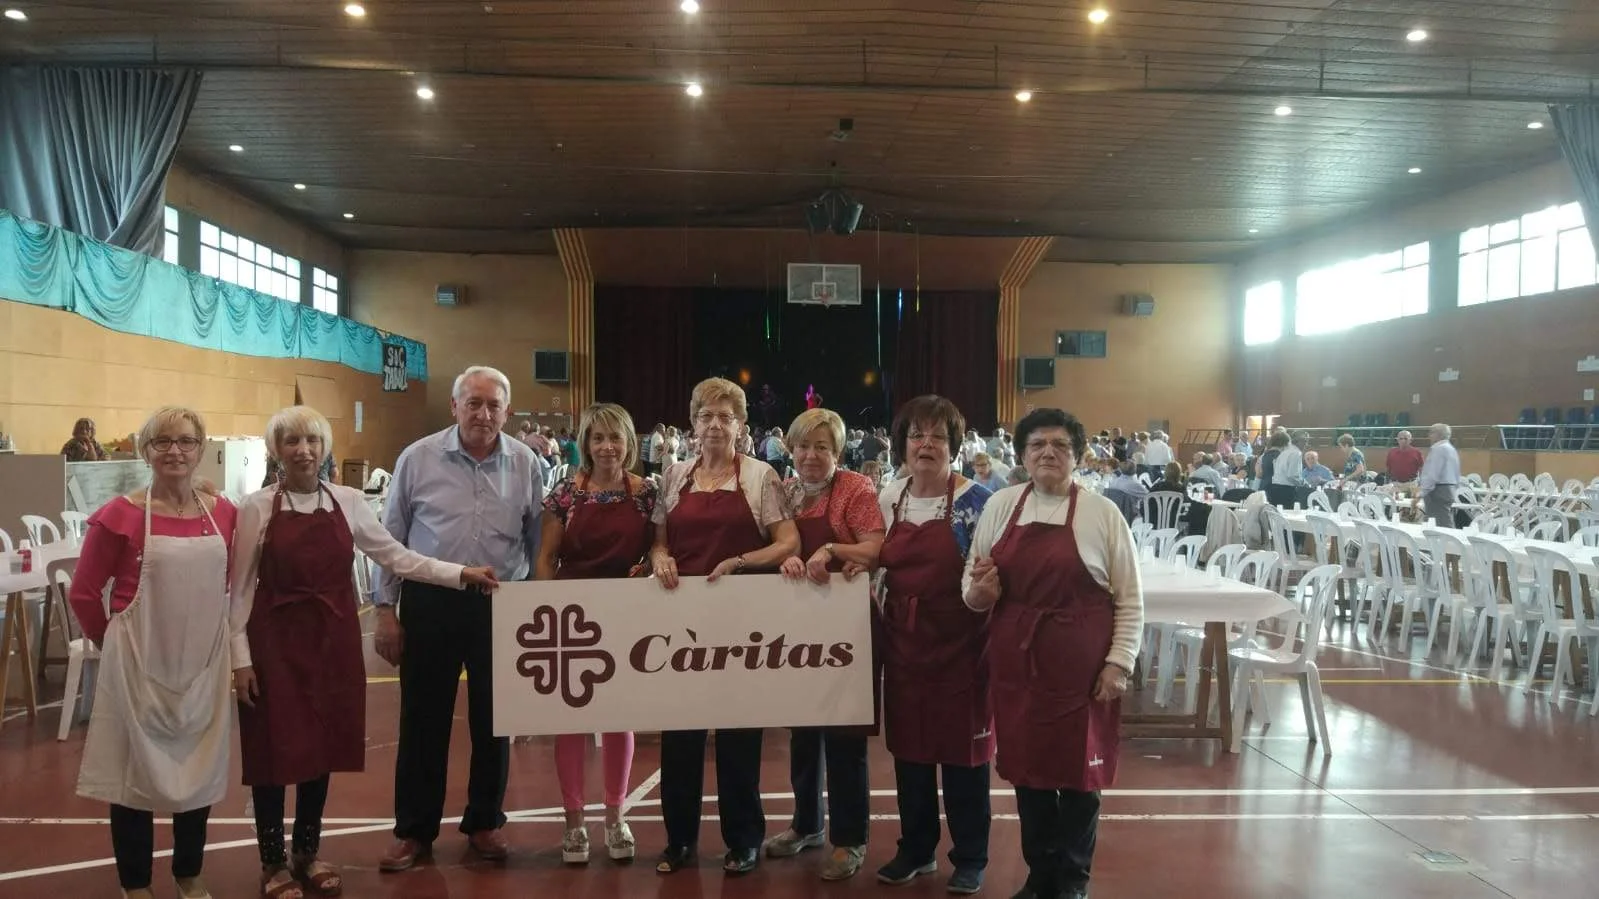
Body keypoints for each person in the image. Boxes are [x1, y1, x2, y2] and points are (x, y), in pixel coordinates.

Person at [229, 406, 499, 899]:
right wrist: (240, 658)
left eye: (311, 440)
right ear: (276, 450)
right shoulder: (256, 508)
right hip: (274, 644)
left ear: (324, 447)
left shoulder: (349, 501)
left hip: (332, 643)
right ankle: (272, 861)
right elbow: (240, 590)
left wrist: (459, 574)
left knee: (321, 746)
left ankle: (306, 852)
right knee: (272, 749)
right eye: (291, 441)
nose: (303, 451)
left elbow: (397, 556)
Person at [964, 408, 1143, 899]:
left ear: (1077, 457)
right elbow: (971, 590)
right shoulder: (1001, 506)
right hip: (1017, 665)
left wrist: (1119, 662)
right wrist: (982, 592)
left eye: (1060, 445)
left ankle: (1072, 881)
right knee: (1030, 774)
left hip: (1081, 668)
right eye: (1037, 444)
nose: (1048, 452)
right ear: (1021, 454)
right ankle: (1040, 874)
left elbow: (1130, 597)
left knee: (1081, 778)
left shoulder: (1101, 514)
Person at [373, 366, 544, 873]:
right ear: (454, 406)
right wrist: (386, 611)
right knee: (423, 721)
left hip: (501, 603)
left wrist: (532, 604)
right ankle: (414, 830)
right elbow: (390, 540)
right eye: (473, 403)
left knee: (497, 720)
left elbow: (536, 540)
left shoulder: (528, 463)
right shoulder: (417, 458)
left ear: (507, 412)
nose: (483, 414)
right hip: (432, 602)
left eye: (494, 405)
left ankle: (485, 820)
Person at [69, 406, 239, 899]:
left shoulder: (224, 513)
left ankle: (188, 873)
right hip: (137, 664)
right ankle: (136, 883)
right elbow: (84, 592)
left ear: (201, 448)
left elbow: (229, 583)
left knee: (199, 770)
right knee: (132, 776)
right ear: (146, 451)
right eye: (162, 442)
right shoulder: (119, 515)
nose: (174, 451)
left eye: (185, 441)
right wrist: (114, 646)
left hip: (204, 664)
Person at [649, 377, 800, 876]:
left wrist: (739, 560)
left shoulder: (761, 477)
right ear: (692, 425)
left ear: (740, 426)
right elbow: (658, 540)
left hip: (742, 626)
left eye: (725, 417)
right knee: (680, 737)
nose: (715, 425)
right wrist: (661, 558)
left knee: (739, 738)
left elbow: (788, 542)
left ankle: (744, 839)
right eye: (706, 416)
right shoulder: (673, 477)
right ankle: (679, 841)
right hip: (680, 625)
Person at [874, 395, 994, 895]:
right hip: (906, 645)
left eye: (938, 436)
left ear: (955, 446)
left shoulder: (979, 502)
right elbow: (878, 561)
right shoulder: (890, 496)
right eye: (916, 435)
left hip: (961, 647)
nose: (926, 445)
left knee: (964, 759)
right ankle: (915, 848)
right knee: (912, 754)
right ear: (902, 445)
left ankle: (970, 856)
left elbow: (987, 575)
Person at [531, 402, 657, 865]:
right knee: (572, 721)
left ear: (629, 443)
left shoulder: (647, 493)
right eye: (598, 439)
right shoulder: (564, 493)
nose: (607, 447)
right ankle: (574, 823)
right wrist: (544, 610)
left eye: (615, 438)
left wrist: (651, 564)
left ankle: (614, 816)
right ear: (585, 444)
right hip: (572, 616)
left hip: (625, 613)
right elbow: (546, 557)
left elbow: (656, 547)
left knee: (619, 717)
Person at [767, 408, 886, 880]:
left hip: (847, 630)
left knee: (845, 737)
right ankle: (807, 825)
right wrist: (786, 562)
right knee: (801, 733)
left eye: (823, 447)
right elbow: (774, 545)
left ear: (838, 452)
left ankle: (850, 839)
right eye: (803, 446)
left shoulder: (856, 488)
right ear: (790, 450)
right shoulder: (786, 490)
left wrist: (834, 549)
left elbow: (875, 548)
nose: (812, 455)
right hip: (797, 630)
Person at [1412, 422, 1461, 527]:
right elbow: (1457, 473)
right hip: (1449, 489)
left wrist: (1421, 493)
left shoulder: (1438, 449)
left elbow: (1432, 473)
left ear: (1438, 434)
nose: (1429, 436)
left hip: (1438, 491)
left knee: (1440, 524)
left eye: (1431, 432)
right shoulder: (1451, 449)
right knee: (1441, 521)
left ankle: (1449, 543)